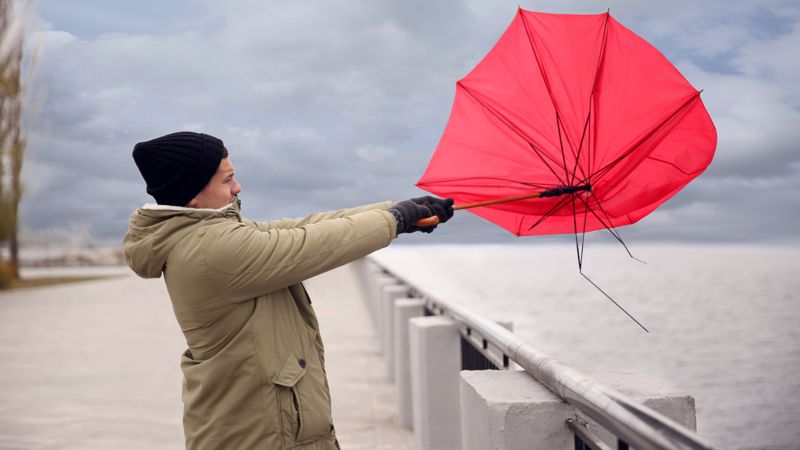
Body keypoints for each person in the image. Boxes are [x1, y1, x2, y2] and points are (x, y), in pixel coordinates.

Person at [122, 131, 453, 450]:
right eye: (226, 180)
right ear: (192, 194)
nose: (238, 187)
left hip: (256, 420)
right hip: (259, 430)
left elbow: (303, 225)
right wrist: (394, 221)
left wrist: (395, 211)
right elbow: (310, 244)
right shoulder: (213, 248)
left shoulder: (210, 234)